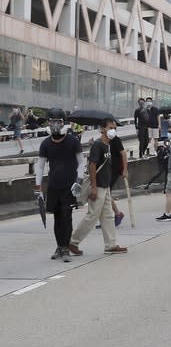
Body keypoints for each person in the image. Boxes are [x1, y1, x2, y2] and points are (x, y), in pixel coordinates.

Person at [70, 118, 128, 255]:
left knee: (108, 216)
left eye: (114, 128)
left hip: (105, 186)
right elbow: (92, 165)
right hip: (99, 186)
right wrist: (94, 187)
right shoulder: (98, 145)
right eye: (110, 127)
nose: (113, 130)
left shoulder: (107, 145)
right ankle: (73, 242)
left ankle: (111, 245)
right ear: (102, 129)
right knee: (92, 216)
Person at [34, 108, 84, 262]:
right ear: (48, 123)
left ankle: (65, 247)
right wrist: (38, 188)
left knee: (66, 216)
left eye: (58, 121)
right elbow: (40, 166)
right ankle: (59, 246)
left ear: (63, 123)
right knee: (57, 217)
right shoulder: (46, 144)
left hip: (69, 186)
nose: (55, 124)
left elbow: (82, 163)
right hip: (54, 186)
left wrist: (79, 181)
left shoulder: (73, 141)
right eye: (52, 121)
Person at [108, 132, 128, 227]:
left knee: (105, 193)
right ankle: (112, 216)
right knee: (105, 194)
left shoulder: (115, 140)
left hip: (114, 170)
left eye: (113, 128)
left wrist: (125, 169)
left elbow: (123, 154)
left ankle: (117, 214)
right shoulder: (104, 140)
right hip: (106, 170)